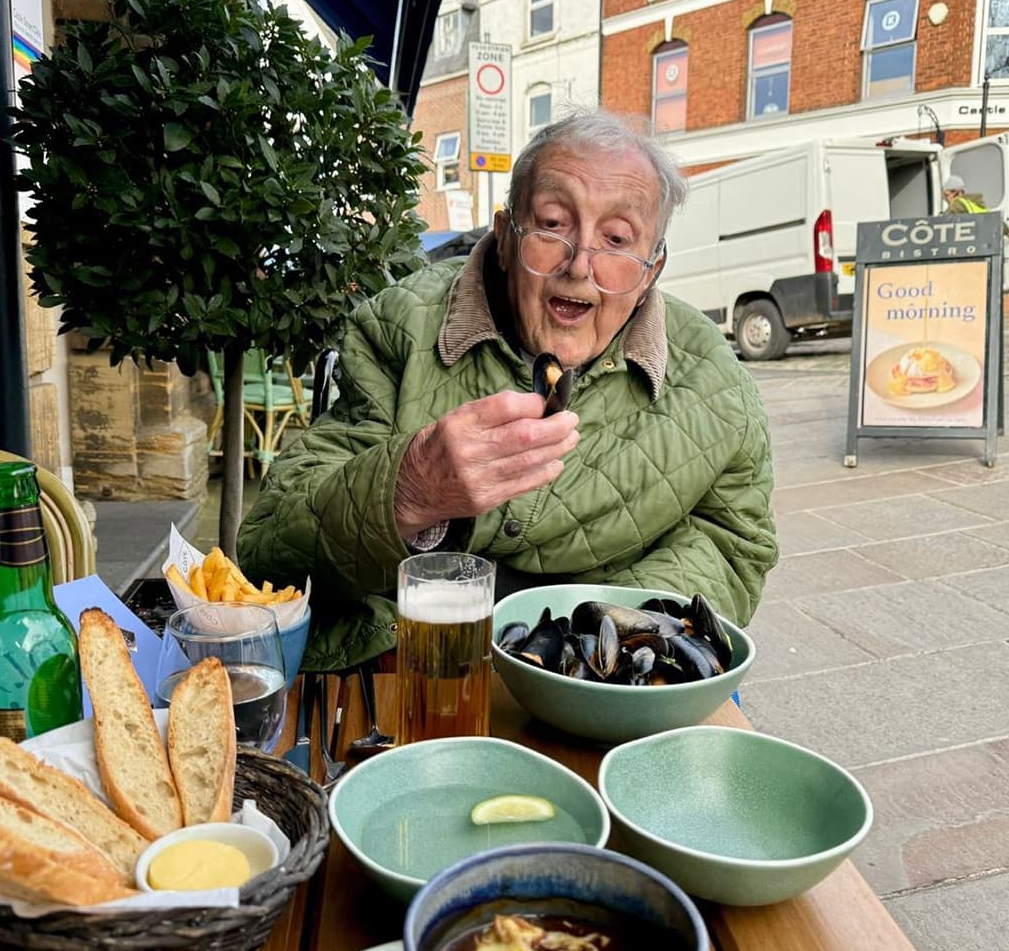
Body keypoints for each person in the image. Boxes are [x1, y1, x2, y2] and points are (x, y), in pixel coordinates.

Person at [237, 110, 779, 671]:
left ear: (651, 269)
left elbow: (733, 545)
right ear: (504, 235)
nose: (579, 266)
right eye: (552, 224)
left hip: (600, 693)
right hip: (411, 667)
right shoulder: (398, 327)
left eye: (616, 239)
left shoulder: (715, 382)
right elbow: (267, 549)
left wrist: (596, 632)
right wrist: (410, 490)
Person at [942, 174, 1009, 247]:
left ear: (956, 192)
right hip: (981, 244)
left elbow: (944, 220)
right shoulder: (976, 205)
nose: (945, 199)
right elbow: (996, 221)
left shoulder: (956, 203)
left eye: (946, 195)